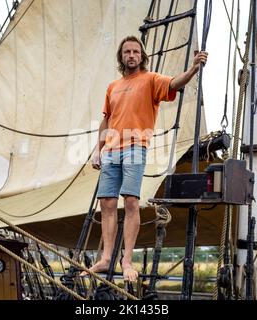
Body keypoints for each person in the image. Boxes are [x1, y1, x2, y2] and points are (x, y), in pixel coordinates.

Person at [84, 35, 208, 282]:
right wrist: (98, 149)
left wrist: (194, 68)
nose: (131, 55)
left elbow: (174, 83)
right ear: (121, 57)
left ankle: (127, 260)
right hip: (110, 150)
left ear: (142, 57)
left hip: (134, 147)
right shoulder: (113, 86)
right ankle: (107, 257)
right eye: (127, 52)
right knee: (107, 204)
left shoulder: (150, 80)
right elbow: (106, 120)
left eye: (135, 52)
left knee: (130, 201)